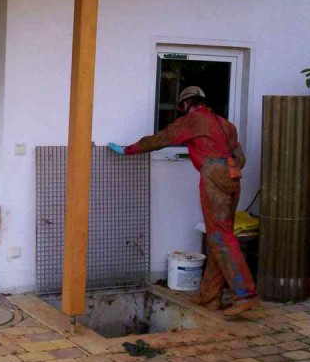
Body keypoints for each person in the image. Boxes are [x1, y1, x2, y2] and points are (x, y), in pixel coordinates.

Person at [109, 86, 260, 317]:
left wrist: (127, 150)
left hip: (213, 177)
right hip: (233, 177)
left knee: (220, 237)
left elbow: (160, 139)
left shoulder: (192, 120)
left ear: (185, 104)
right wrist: (225, 169)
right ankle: (209, 297)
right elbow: (241, 158)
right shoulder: (226, 125)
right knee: (219, 238)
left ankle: (245, 294)